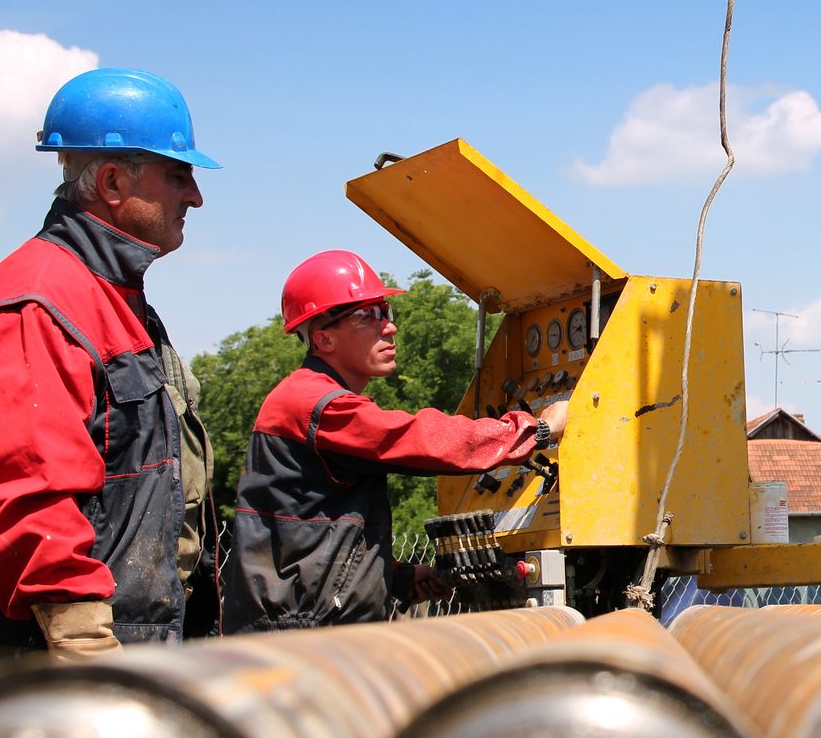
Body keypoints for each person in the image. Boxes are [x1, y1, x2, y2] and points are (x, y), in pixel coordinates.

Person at [0, 68, 221, 672]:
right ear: (114, 181)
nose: (194, 196)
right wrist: (85, 650)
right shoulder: (38, 305)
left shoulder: (112, 299)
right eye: (178, 175)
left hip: (133, 653)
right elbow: (29, 495)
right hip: (56, 668)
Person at [221, 250, 566, 633]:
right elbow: (417, 438)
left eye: (385, 311)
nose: (389, 327)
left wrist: (397, 576)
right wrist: (535, 430)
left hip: (300, 620)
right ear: (323, 338)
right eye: (367, 315)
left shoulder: (308, 399)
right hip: (300, 631)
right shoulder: (316, 405)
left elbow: (311, 526)